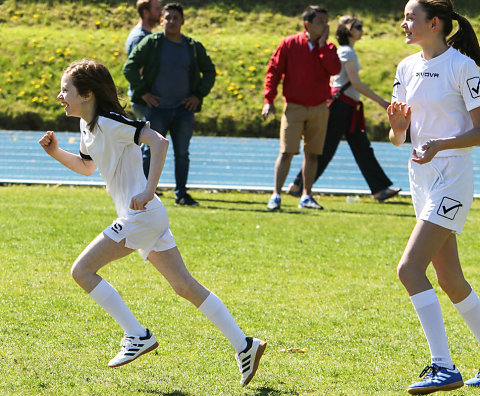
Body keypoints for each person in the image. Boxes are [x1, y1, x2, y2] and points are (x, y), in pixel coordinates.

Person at [38, 59, 266, 387]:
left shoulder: (110, 121)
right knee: (184, 286)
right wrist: (57, 152)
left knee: (82, 271)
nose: (61, 96)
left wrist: (147, 189)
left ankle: (137, 335)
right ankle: (246, 345)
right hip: (145, 216)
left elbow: (159, 141)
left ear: (87, 94)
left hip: (141, 215)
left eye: (66, 90)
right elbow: (88, 167)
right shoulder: (87, 127)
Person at [388, 1, 480, 394]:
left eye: (411, 17)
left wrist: (440, 145)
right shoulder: (406, 67)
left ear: (435, 23)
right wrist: (399, 128)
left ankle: (443, 366)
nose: (404, 23)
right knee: (451, 278)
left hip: (452, 178)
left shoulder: (464, 67)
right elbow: (398, 138)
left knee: (409, 270)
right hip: (421, 177)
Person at [287, 15, 401, 202]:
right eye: (358, 26)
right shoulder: (347, 52)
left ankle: (379, 189)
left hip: (347, 107)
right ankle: (298, 185)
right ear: (348, 30)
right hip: (341, 107)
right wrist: (381, 101)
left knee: (362, 148)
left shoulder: (345, 51)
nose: (362, 29)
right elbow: (355, 83)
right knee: (326, 149)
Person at [124, 2, 216, 207]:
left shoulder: (192, 47)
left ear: (182, 21)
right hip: (157, 109)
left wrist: (198, 95)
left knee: (182, 153)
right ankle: (144, 192)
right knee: (149, 151)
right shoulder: (152, 43)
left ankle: (181, 194)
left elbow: (209, 71)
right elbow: (129, 67)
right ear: (162, 20)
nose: (172, 21)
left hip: (183, 110)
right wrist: (143, 93)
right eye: (168, 18)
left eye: (176, 18)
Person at [262, 5, 341, 211]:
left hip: (319, 107)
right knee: (287, 152)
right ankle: (276, 194)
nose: (326, 25)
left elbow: (335, 69)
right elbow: (274, 71)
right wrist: (268, 99)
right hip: (294, 107)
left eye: (326, 21)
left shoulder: (330, 48)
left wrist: (323, 46)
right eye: (321, 21)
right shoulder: (289, 44)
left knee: (313, 154)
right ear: (308, 24)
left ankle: (307, 195)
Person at [125, 0, 162, 121]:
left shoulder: (145, 34)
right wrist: (144, 93)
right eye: (157, 9)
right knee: (151, 138)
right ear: (146, 12)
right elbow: (135, 70)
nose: (160, 12)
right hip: (145, 102)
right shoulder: (140, 38)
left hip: (147, 100)